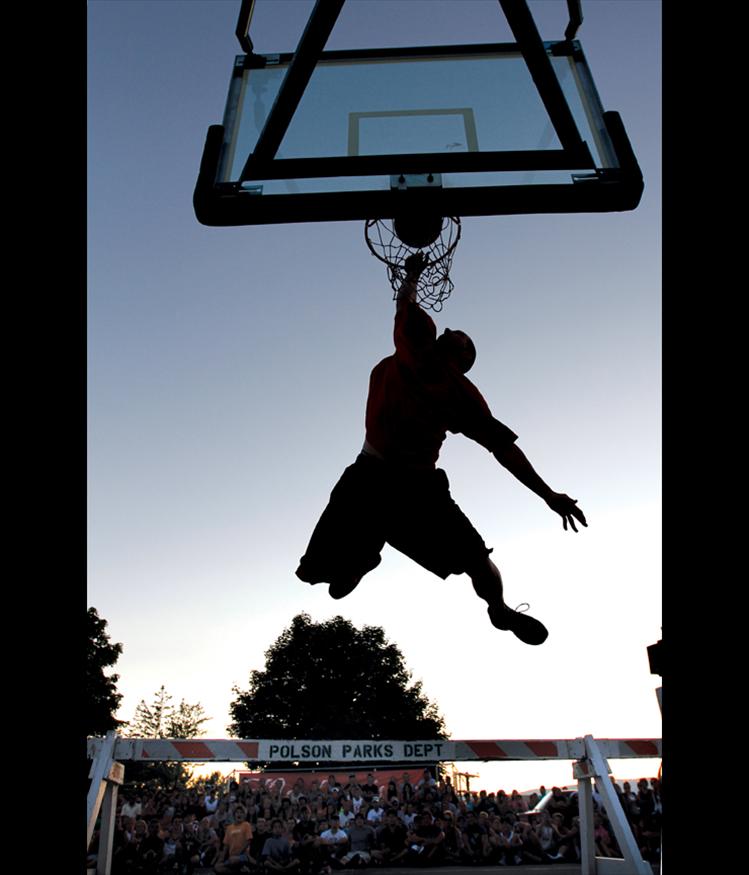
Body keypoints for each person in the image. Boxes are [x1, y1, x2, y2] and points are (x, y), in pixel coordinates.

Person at [297, 252, 587, 645]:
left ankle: (496, 607)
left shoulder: (437, 367)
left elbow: (406, 302)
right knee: (327, 575)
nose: (451, 329)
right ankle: (367, 559)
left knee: (476, 559)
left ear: (462, 358)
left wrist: (413, 273)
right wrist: (548, 494)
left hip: (396, 482)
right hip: (385, 478)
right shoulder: (450, 380)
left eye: (460, 336)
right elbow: (503, 449)